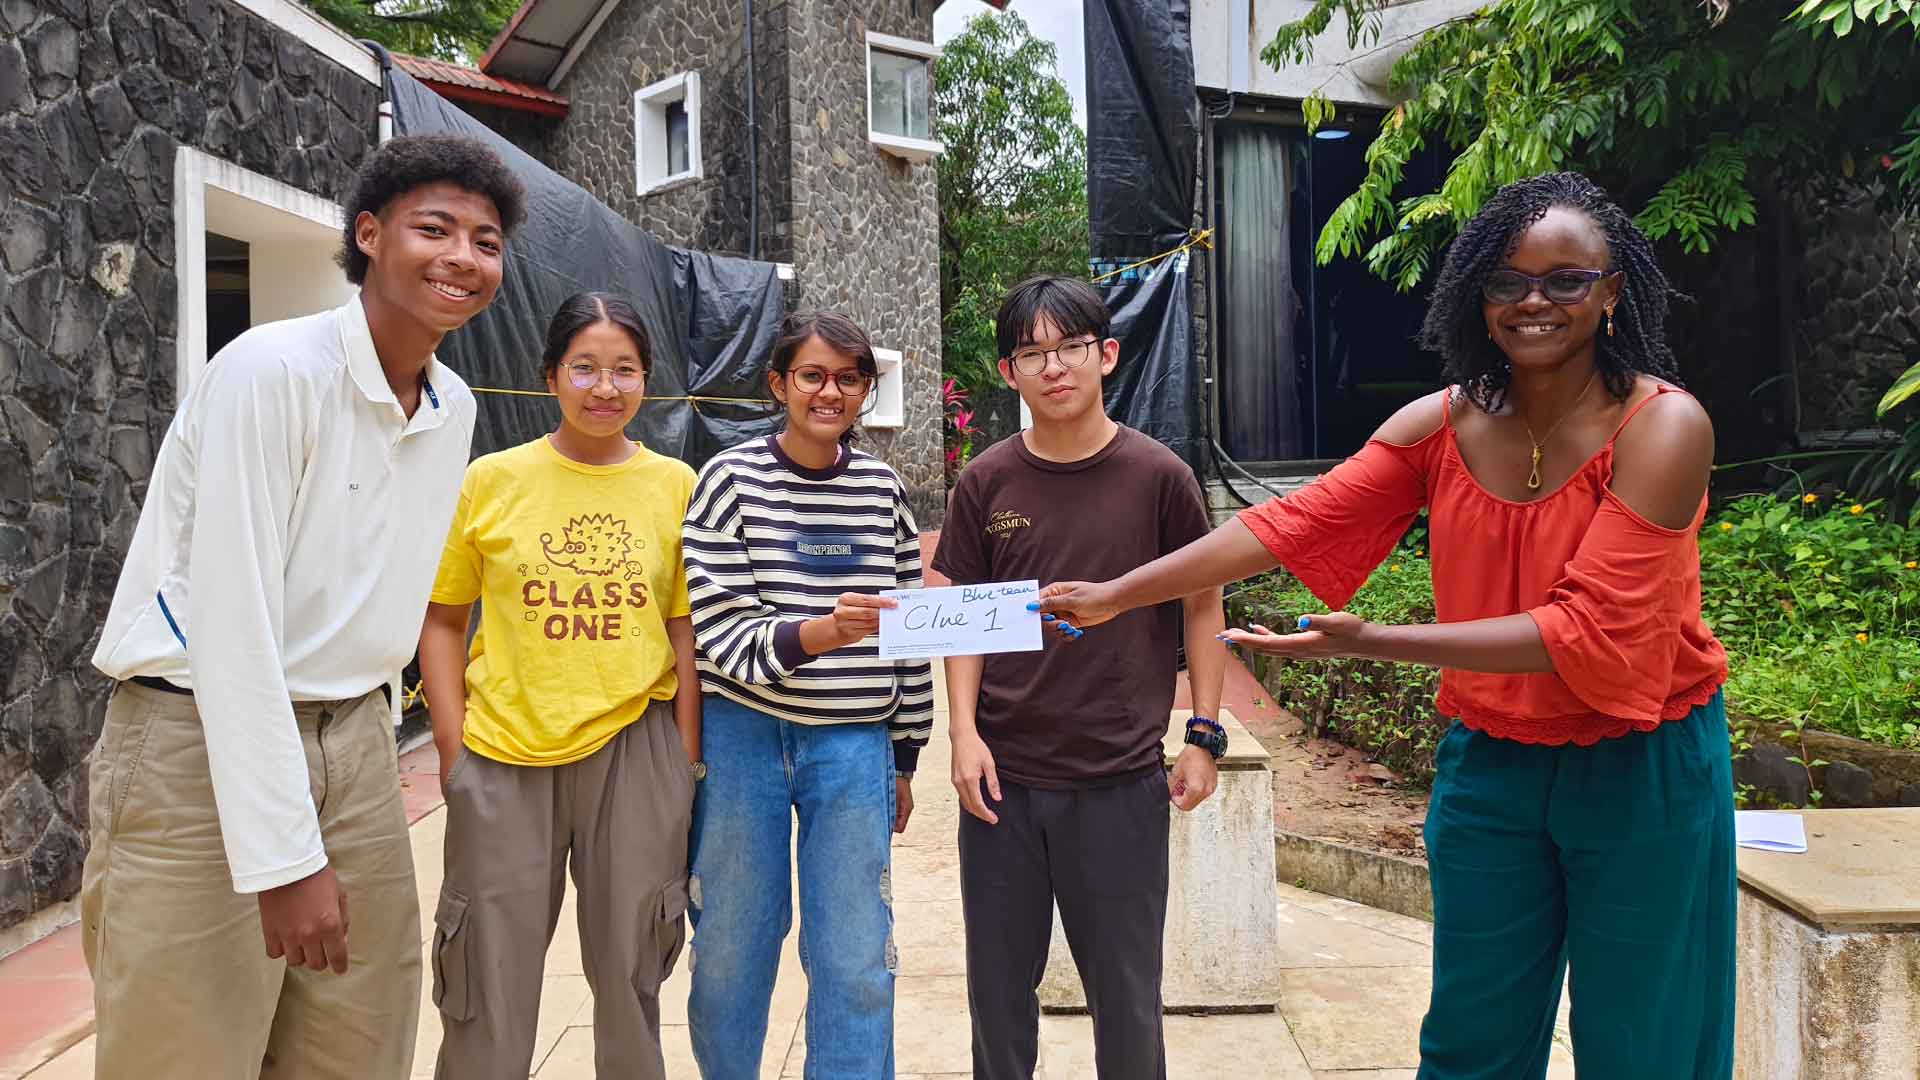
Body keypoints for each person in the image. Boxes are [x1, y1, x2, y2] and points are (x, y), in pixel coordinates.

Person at [1039, 172, 1735, 1080]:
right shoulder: (1441, 424)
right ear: (1478, 297)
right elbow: (1288, 523)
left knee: (1645, 1044)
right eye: (1507, 281)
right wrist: (1119, 594)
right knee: (1470, 1044)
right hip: (1494, 763)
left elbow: (1585, 629)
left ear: (1612, 292)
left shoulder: (1665, 426)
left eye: (1566, 280)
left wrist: (1374, 640)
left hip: (1641, 759)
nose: (1534, 301)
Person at [82, 134, 523, 1078]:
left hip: (353, 742)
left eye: (486, 242)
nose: (463, 257)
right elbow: (231, 622)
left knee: (358, 1048)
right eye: (434, 229)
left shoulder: (452, 407)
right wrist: (283, 856)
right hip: (198, 742)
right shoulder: (272, 371)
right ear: (369, 235)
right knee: (184, 1055)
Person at [930, 275, 1229, 1080]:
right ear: (1008, 372)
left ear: (1108, 355)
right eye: (1032, 353)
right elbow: (965, 614)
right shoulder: (986, 481)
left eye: (1070, 347)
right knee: (997, 1001)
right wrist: (963, 734)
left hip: (1120, 782)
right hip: (1004, 786)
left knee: (1128, 1002)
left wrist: (1202, 735)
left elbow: (1203, 603)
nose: (1054, 367)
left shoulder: (1159, 476)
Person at [417, 292, 701, 1079]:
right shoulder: (492, 479)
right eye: (584, 368)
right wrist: (453, 752)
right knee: (484, 980)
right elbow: (443, 620)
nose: (604, 388)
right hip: (503, 753)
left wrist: (684, 762)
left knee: (633, 969)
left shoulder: (675, 485)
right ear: (549, 377)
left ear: (647, 380)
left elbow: (685, 632)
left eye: (624, 370)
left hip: (635, 751)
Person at [681, 311, 934, 1079]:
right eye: (813, 376)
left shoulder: (883, 490)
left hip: (854, 743)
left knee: (856, 949)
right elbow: (717, 631)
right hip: (742, 738)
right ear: (778, 384)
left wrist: (904, 755)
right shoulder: (728, 481)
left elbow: (909, 630)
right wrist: (819, 634)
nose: (831, 392)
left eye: (849, 379)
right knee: (731, 944)